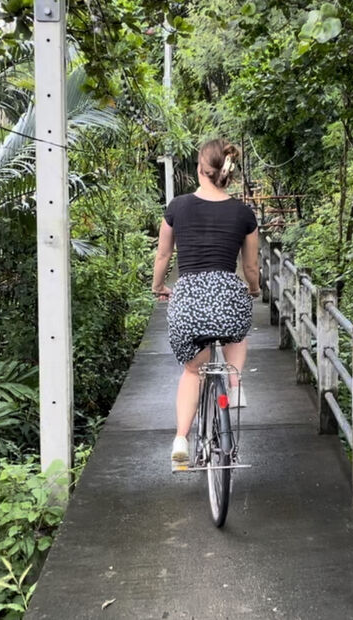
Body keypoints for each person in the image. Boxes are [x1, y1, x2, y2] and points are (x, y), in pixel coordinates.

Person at [151, 138, 261, 463]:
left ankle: (181, 439)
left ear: (200, 169)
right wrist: (252, 290)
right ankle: (234, 381)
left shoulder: (178, 207)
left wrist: (159, 287)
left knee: (192, 372)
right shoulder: (244, 213)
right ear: (228, 174)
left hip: (188, 302)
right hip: (228, 297)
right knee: (238, 333)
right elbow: (251, 267)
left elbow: (163, 255)